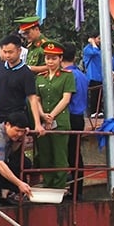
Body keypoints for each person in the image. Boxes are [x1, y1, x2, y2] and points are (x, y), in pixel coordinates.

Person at [33, 42, 75, 189]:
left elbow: (66, 98)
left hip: (60, 120)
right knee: (44, 154)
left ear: (60, 59)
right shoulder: (40, 77)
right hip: (43, 121)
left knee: (60, 155)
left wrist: (52, 115)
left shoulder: (67, 76)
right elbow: (36, 99)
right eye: (48, 58)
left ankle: (58, 185)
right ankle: (48, 182)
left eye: (54, 58)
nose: (50, 61)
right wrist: (43, 115)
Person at [0, 34, 44, 133]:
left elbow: (32, 99)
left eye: (10, 52)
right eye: (5, 52)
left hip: (15, 119)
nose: (7, 55)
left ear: (19, 51)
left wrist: (37, 124)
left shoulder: (26, 73)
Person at [62, 44, 88, 198]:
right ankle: (77, 190)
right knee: (75, 154)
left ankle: (74, 191)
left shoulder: (67, 76)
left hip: (69, 116)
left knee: (68, 153)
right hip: (79, 117)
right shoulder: (82, 75)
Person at [83, 32, 103, 117]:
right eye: (98, 38)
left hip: (99, 75)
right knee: (94, 94)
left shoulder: (98, 48)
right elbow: (94, 53)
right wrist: (93, 43)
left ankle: (99, 110)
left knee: (99, 94)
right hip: (92, 75)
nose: (100, 41)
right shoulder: (88, 49)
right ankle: (93, 112)